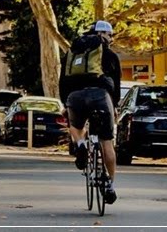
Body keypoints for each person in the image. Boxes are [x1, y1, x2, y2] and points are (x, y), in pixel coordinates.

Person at [59, 20, 122, 204]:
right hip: (100, 97)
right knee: (107, 141)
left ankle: (80, 144)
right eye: (110, 35)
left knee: (75, 126)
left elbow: (63, 81)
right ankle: (110, 185)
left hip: (75, 97)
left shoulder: (73, 52)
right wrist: (115, 106)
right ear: (103, 35)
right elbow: (116, 86)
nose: (111, 38)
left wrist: (65, 103)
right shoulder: (110, 55)